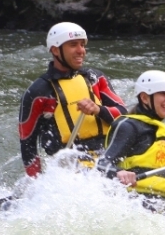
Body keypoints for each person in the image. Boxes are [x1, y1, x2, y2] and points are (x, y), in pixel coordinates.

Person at [18, 22, 127, 177]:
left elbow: (124, 117)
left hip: (108, 157)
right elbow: (27, 144)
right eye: (73, 45)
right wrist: (37, 184)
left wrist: (98, 110)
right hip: (70, 166)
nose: (81, 50)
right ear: (55, 50)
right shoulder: (38, 92)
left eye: (83, 45)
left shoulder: (95, 78)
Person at [96, 70, 165, 200]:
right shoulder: (128, 126)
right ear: (145, 97)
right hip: (135, 201)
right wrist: (119, 172)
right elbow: (102, 164)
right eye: (163, 93)